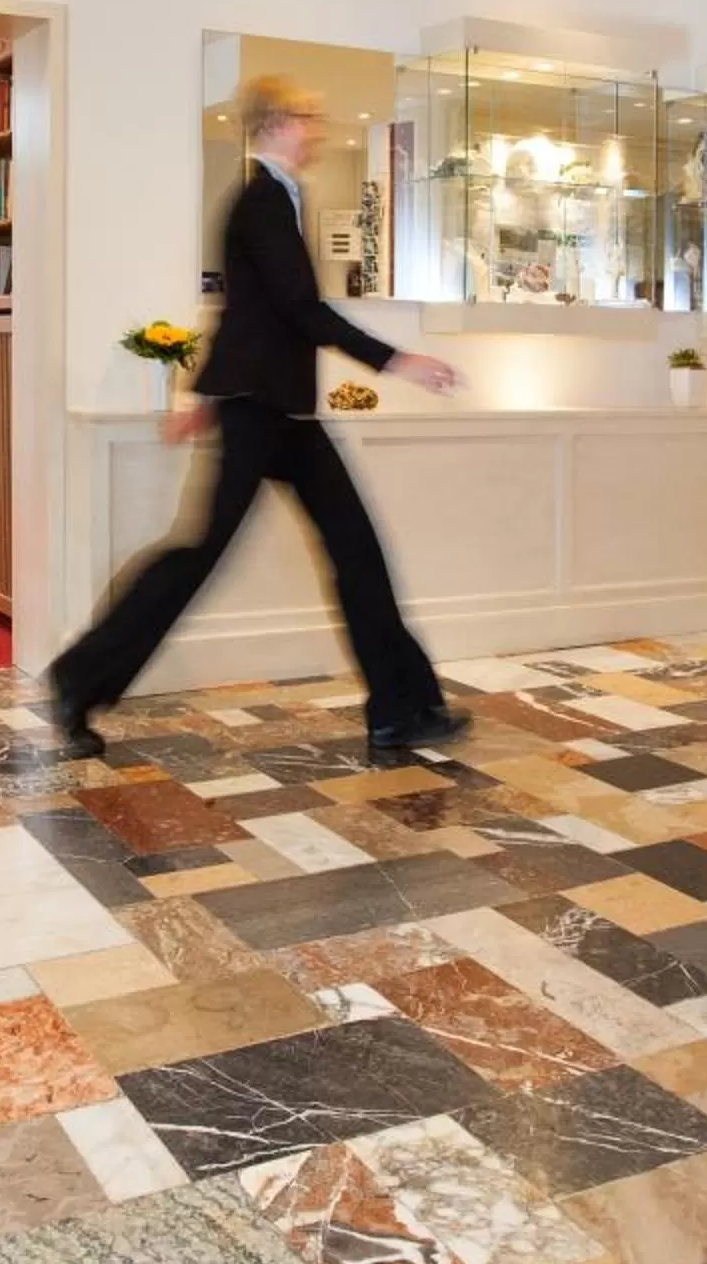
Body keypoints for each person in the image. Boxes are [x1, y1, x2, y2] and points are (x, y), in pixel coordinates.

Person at [48, 75, 471, 757]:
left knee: (356, 553)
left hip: (281, 415)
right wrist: (398, 362)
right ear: (275, 123)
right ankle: (78, 678)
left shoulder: (276, 198)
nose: (318, 128)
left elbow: (248, 314)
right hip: (263, 416)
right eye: (308, 115)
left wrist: (203, 395)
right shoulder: (261, 200)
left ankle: (403, 708)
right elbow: (299, 309)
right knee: (199, 555)